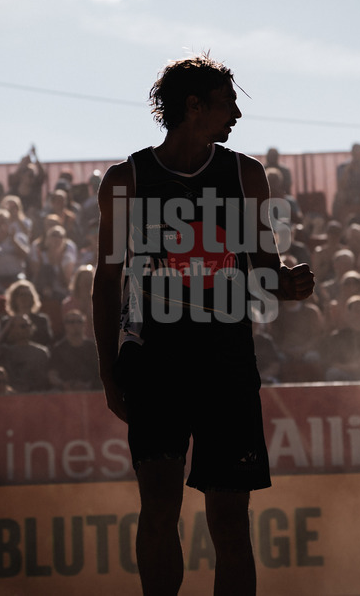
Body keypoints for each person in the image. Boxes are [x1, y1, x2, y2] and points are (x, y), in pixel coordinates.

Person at [92, 54, 314, 596]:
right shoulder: (127, 179)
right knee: (160, 508)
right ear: (193, 107)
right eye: (227, 102)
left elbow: (264, 268)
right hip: (155, 361)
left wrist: (287, 281)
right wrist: (108, 372)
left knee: (232, 523)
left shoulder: (246, 174)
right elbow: (106, 281)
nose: (236, 113)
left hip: (225, 362)